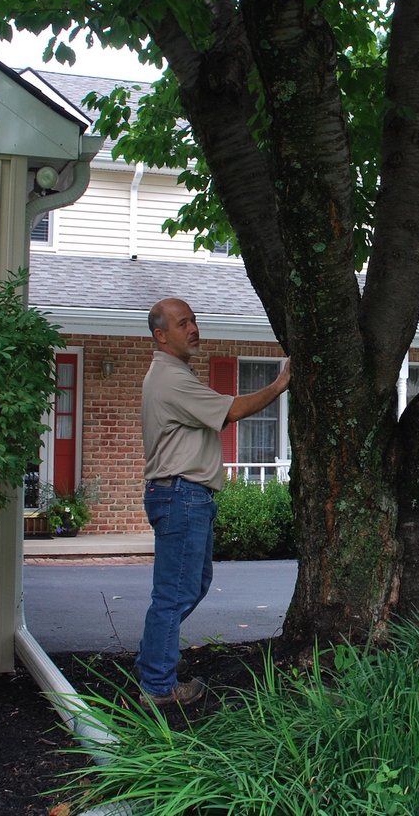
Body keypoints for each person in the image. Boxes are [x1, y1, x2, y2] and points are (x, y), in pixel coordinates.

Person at [136, 297, 291, 706]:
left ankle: (154, 663)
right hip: (181, 495)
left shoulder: (171, 374)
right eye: (183, 323)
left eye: (194, 320)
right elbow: (233, 410)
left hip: (181, 495)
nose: (193, 328)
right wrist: (279, 384)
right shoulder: (171, 378)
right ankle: (156, 685)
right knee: (175, 593)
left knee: (190, 587)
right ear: (161, 335)